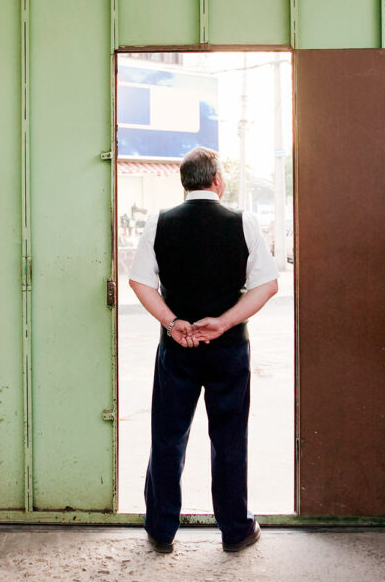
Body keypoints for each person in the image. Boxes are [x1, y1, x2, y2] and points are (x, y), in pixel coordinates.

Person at [128, 146, 279, 554]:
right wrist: (225, 321)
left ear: (184, 183)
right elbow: (268, 284)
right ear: (217, 180)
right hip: (229, 350)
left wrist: (174, 324)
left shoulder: (159, 223)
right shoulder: (242, 221)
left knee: (167, 437)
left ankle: (161, 530)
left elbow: (140, 281)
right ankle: (235, 530)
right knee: (229, 439)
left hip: (176, 350)